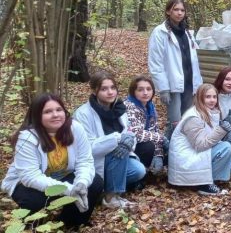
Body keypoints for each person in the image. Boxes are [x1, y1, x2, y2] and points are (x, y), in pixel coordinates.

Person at [1, 93, 104, 228]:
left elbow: (85, 161)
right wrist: (68, 189)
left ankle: (72, 223)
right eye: (48, 112)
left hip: (63, 177)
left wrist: (81, 183)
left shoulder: (75, 128)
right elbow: (30, 177)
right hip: (27, 185)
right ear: (37, 116)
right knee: (34, 201)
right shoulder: (27, 137)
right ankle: (33, 226)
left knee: (95, 182)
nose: (55, 115)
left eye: (59, 110)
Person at [74, 71, 146, 209]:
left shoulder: (119, 108)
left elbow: (129, 133)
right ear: (94, 91)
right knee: (118, 148)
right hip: (95, 161)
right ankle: (110, 197)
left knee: (139, 171)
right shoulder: (83, 114)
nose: (110, 92)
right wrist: (118, 139)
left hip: (118, 158)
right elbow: (88, 147)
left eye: (113, 87)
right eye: (104, 89)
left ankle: (106, 189)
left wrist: (127, 141)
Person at [168, 83, 231, 195]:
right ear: (200, 98)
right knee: (226, 147)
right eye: (207, 97)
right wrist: (222, 129)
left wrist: (226, 128)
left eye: (214, 97)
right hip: (187, 158)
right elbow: (200, 145)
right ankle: (204, 185)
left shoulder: (209, 112)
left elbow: (211, 137)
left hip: (197, 154)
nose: (212, 100)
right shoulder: (193, 117)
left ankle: (204, 181)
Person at [148, 0, 202, 138]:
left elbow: (194, 61)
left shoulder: (187, 33)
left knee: (187, 120)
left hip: (190, 83)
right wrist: (163, 88)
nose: (179, 13)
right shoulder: (160, 32)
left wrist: (198, 85)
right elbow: (156, 62)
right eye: (176, 9)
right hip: (173, 84)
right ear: (168, 11)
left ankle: (181, 151)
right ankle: (165, 151)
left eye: (182, 10)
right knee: (175, 122)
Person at [124, 75, 168, 175]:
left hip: (143, 143)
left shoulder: (149, 106)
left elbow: (154, 131)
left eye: (149, 89)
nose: (145, 93)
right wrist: (161, 138)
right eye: (140, 90)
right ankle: (141, 174)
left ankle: (152, 170)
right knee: (148, 146)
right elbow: (137, 134)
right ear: (133, 91)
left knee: (169, 149)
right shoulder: (129, 106)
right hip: (128, 147)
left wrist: (159, 155)